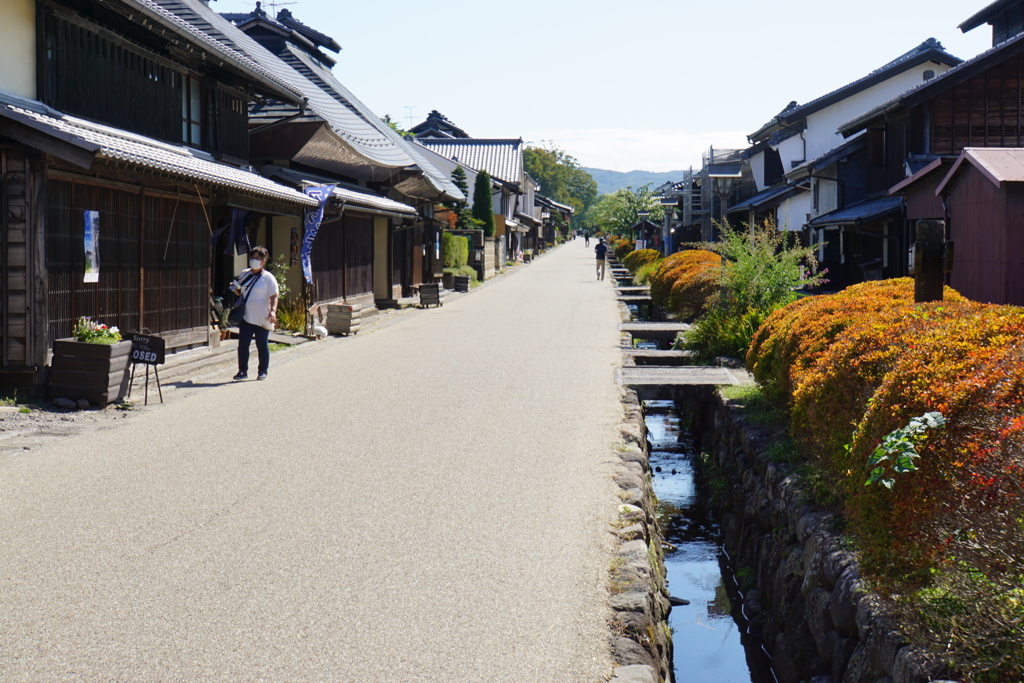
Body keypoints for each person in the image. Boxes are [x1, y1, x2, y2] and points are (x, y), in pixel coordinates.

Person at [231, 246, 278, 381]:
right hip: (246, 315)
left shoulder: (268, 278)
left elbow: (274, 296)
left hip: (262, 316)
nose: (254, 260)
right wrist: (235, 289)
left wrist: (273, 311)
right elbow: (241, 292)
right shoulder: (245, 273)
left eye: (258, 258)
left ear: (264, 261)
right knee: (243, 345)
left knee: (261, 345)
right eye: (253, 257)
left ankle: (263, 371)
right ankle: (242, 371)